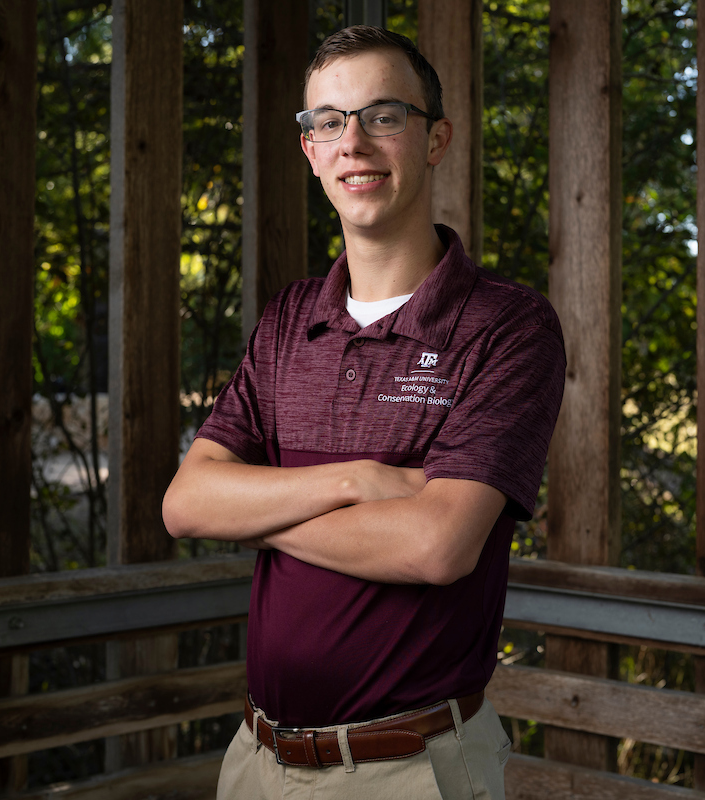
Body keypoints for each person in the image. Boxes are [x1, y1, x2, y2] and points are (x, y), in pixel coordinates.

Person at [162, 25, 565, 800]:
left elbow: (436, 546)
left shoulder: (506, 327)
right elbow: (187, 502)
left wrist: (253, 515)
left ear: (435, 138)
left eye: (383, 115)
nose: (353, 142)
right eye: (328, 121)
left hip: (411, 768)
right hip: (255, 761)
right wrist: (358, 480)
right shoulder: (288, 321)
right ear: (310, 150)